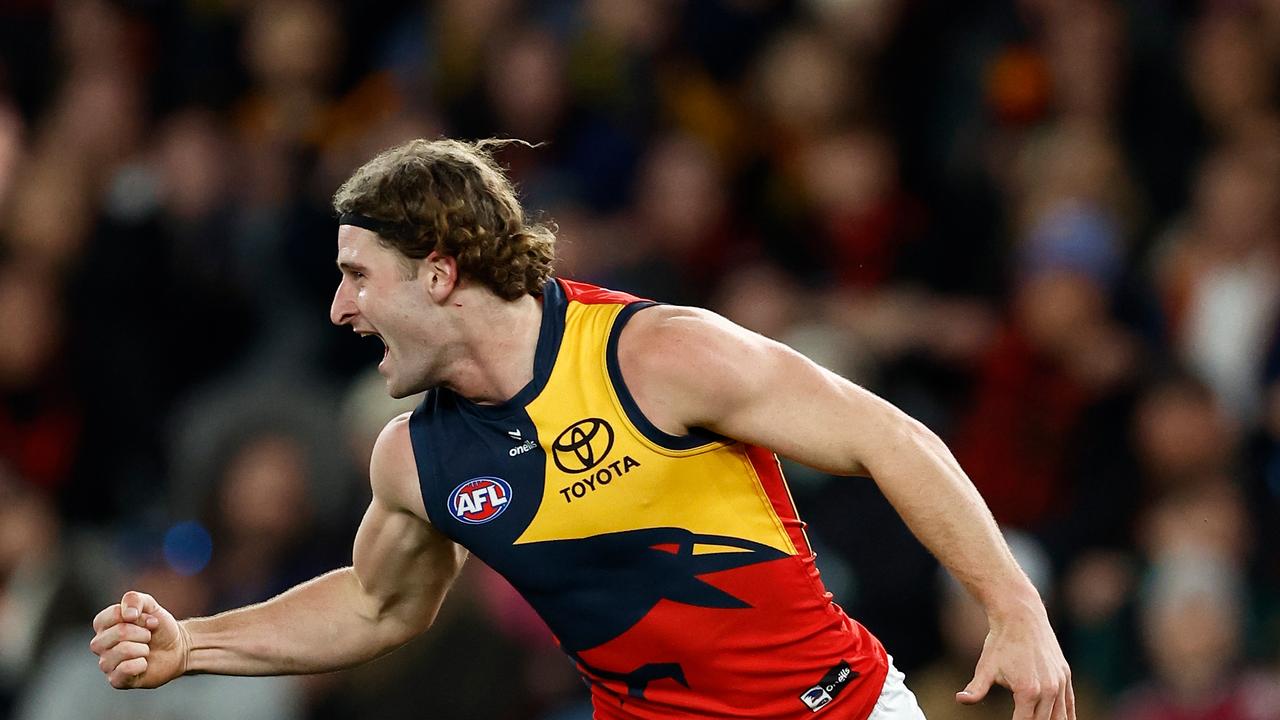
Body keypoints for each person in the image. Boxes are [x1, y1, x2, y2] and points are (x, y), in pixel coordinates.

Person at [90, 138, 1074, 720]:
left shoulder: (656, 354)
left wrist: (1013, 609)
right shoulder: (415, 460)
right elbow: (379, 606)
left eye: (356, 277)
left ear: (436, 273)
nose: (340, 310)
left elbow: (891, 440)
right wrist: (195, 640)